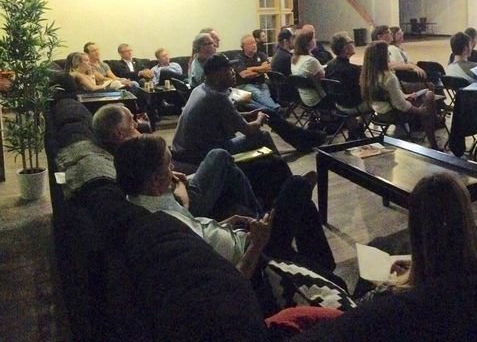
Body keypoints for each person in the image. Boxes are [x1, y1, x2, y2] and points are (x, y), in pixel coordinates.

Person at [114, 135, 353, 314]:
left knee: (294, 199)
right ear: (155, 180)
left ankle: (320, 264)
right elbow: (231, 283)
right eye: (169, 165)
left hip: (239, 234)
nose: (174, 170)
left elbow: (196, 226)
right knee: (296, 188)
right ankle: (300, 236)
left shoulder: (145, 201)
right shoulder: (166, 228)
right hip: (258, 256)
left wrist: (225, 222)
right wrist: (258, 243)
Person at [93, 103, 263, 220]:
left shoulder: (120, 157)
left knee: (228, 168)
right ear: (118, 134)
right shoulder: (130, 155)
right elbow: (179, 204)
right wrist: (178, 184)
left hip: (173, 189)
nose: (137, 125)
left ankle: (251, 210)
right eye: (132, 122)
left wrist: (171, 175)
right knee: (219, 155)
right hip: (184, 201)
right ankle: (257, 214)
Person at [173, 54, 324, 163]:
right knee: (261, 135)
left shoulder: (200, 89)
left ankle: (304, 140)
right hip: (200, 153)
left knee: (265, 111)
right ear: (217, 74)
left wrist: (250, 114)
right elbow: (248, 130)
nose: (233, 73)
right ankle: (281, 171)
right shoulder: (217, 98)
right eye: (229, 70)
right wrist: (258, 119)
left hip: (184, 149)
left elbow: (225, 118)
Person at [364, 173, 477, 298]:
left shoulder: (391, 298)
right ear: (467, 216)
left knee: (375, 246)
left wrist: (390, 283)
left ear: (414, 224)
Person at [361, 41, 440, 150]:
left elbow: (388, 95)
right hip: (394, 114)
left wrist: (405, 95)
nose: (389, 56)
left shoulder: (367, 75)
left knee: (425, 97)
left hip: (379, 112)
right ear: (382, 57)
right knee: (429, 97)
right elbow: (400, 105)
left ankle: (433, 125)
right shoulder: (389, 77)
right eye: (387, 54)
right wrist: (420, 111)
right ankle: (433, 142)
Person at [234, 34, 278, 111]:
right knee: (258, 94)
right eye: (250, 44)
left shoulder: (261, 55)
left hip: (261, 83)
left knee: (266, 97)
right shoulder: (239, 58)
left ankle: (271, 112)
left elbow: (268, 68)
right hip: (245, 85)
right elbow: (245, 74)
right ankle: (276, 108)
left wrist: (251, 69)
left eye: (254, 42)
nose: (254, 45)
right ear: (243, 46)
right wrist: (261, 70)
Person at [291, 28, 326, 107]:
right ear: (308, 43)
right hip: (318, 98)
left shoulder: (295, 59)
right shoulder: (311, 61)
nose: (315, 40)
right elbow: (324, 79)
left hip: (305, 97)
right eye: (313, 38)